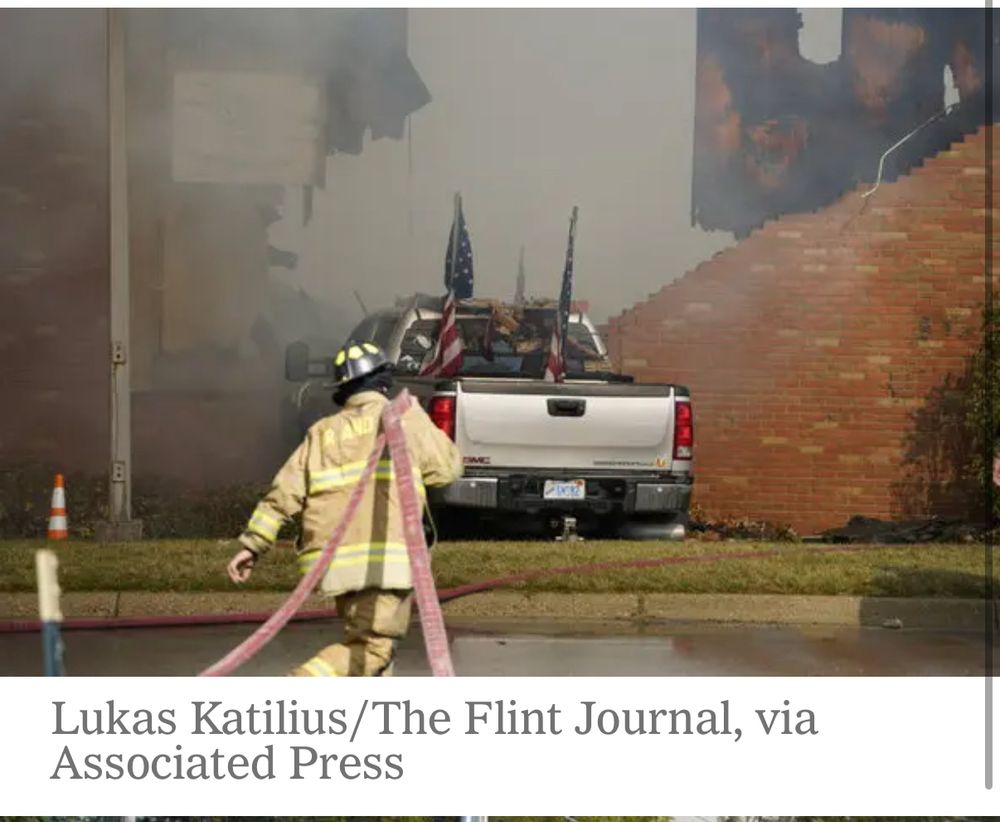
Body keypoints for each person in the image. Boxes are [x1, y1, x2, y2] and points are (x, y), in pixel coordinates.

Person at [226, 341, 463, 677]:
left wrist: (252, 545)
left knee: (370, 656)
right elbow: (446, 470)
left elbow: (284, 492)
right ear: (384, 382)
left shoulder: (321, 433)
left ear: (343, 389)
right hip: (386, 561)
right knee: (374, 649)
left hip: (336, 564)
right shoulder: (404, 418)